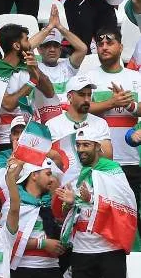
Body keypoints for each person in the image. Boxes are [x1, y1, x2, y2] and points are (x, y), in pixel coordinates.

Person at [57, 123, 136, 278]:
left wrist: (90, 199)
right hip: (82, 250)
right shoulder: (81, 174)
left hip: (110, 250)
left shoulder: (113, 170)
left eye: (86, 145)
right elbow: (80, 210)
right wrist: (70, 204)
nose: (81, 150)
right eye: (79, 145)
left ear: (98, 147)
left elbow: (125, 204)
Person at [85, 25, 141, 219]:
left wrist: (130, 106)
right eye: (100, 43)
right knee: (101, 215)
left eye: (110, 42)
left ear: (120, 46)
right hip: (99, 160)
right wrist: (112, 102)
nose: (104, 47)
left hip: (131, 158)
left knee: (135, 214)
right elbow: (81, 109)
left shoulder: (136, 77)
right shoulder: (89, 78)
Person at [0, 24, 54, 150]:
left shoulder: (27, 66)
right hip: (5, 139)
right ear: (16, 46)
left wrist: (36, 70)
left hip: (32, 135)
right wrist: (32, 81)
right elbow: (8, 104)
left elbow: (50, 92)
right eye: (26, 40)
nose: (30, 45)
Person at [29, 16, 88, 123]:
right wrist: (50, 27)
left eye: (56, 46)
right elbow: (26, 48)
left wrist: (60, 27)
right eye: (47, 46)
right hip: (43, 121)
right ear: (39, 49)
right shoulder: (33, 66)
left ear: (60, 49)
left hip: (68, 121)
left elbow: (82, 49)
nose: (52, 49)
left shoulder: (67, 66)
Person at [47, 74, 113, 168]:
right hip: (65, 180)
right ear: (69, 97)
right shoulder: (52, 125)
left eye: (89, 95)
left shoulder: (100, 123)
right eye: (81, 95)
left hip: (92, 177)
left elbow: (108, 158)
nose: (87, 100)